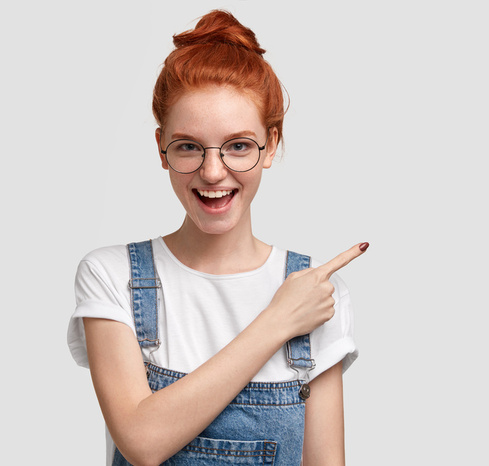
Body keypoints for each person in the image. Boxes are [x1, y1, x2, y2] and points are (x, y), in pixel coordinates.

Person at [67, 10, 367, 466]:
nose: (212, 171)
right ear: (161, 149)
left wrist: (297, 309)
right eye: (188, 145)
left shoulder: (317, 293)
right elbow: (141, 441)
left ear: (271, 144)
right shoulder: (114, 277)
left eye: (238, 146)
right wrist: (279, 321)